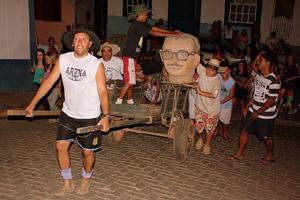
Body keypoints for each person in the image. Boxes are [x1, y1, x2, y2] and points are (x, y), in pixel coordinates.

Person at [25, 29, 110, 196]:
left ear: (90, 44)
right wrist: (31, 105)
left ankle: (85, 180)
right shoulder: (63, 59)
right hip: (68, 113)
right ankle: (67, 182)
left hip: (89, 116)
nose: (79, 42)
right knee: (60, 147)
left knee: (87, 152)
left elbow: (102, 91)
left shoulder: (96, 64)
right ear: (72, 43)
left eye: (83, 39)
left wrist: (106, 116)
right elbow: (49, 82)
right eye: (76, 39)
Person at [115, 4, 181, 105]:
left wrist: (171, 32)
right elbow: (153, 33)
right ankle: (118, 102)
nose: (147, 16)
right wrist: (172, 34)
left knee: (130, 80)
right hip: (129, 57)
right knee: (130, 81)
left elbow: (154, 29)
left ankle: (130, 100)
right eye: (146, 14)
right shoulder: (137, 24)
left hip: (132, 57)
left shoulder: (141, 24)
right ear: (140, 14)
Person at [227, 52, 280, 162]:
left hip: (266, 114)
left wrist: (259, 112)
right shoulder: (260, 76)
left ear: (268, 63)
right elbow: (257, 93)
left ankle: (270, 154)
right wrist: (249, 105)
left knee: (265, 136)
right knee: (243, 130)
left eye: (261, 61)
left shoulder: (274, 81)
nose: (259, 63)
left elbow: (271, 100)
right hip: (253, 110)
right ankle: (239, 154)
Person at [193, 58, 221, 155]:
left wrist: (200, 92)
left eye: (212, 69)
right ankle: (200, 138)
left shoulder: (216, 81)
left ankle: (207, 144)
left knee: (209, 129)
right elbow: (196, 62)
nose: (209, 71)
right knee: (198, 127)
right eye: (208, 68)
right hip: (200, 106)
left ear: (216, 71)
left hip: (211, 110)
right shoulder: (202, 71)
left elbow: (214, 95)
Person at [216, 61, 235, 140]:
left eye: (226, 70)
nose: (223, 72)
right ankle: (216, 131)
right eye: (222, 70)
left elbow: (231, 96)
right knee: (216, 119)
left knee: (226, 121)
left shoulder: (232, 82)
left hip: (226, 104)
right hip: (216, 102)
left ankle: (225, 132)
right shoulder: (218, 76)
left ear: (229, 71)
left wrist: (220, 102)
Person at [44, 51, 61, 123]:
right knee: (50, 103)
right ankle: (55, 117)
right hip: (49, 88)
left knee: (51, 103)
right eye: (46, 59)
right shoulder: (48, 67)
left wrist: (59, 90)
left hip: (55, 88)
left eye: (48, 59)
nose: (46, 60)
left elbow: (59, 79)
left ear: (52, 59)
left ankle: (59, 116)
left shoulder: (55, 67)